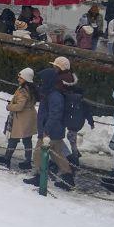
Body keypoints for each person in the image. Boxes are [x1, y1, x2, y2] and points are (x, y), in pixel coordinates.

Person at [24, 58, 76, 191]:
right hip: (54, 131)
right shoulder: (51, 93)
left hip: (50, 132)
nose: (41, 82)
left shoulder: (54, 96)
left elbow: (55, 115)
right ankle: (68, 176)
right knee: (56, 154)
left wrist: (46, 130)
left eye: (43, 80)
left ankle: (39, 177)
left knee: (38, 154)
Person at [0, 68, 37, 169]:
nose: (18, 79)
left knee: (15, 139)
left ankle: (9, 158)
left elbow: (19, 106)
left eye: (21, 77)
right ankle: (25, 160)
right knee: (26, 139)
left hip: (22, 118)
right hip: (28, 116)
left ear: (26, 78)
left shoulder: (23, 90)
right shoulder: (30, 88)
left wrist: (9, 106)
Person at [59, 65, 94, 165]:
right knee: (71, 137)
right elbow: (88, 113)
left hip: (71, 121)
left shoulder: (68, 98)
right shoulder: (82, 101)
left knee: (72, 139)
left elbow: (65, 109)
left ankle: (75, 157)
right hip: (78, 122)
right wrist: (91, 122)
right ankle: (75, 153)